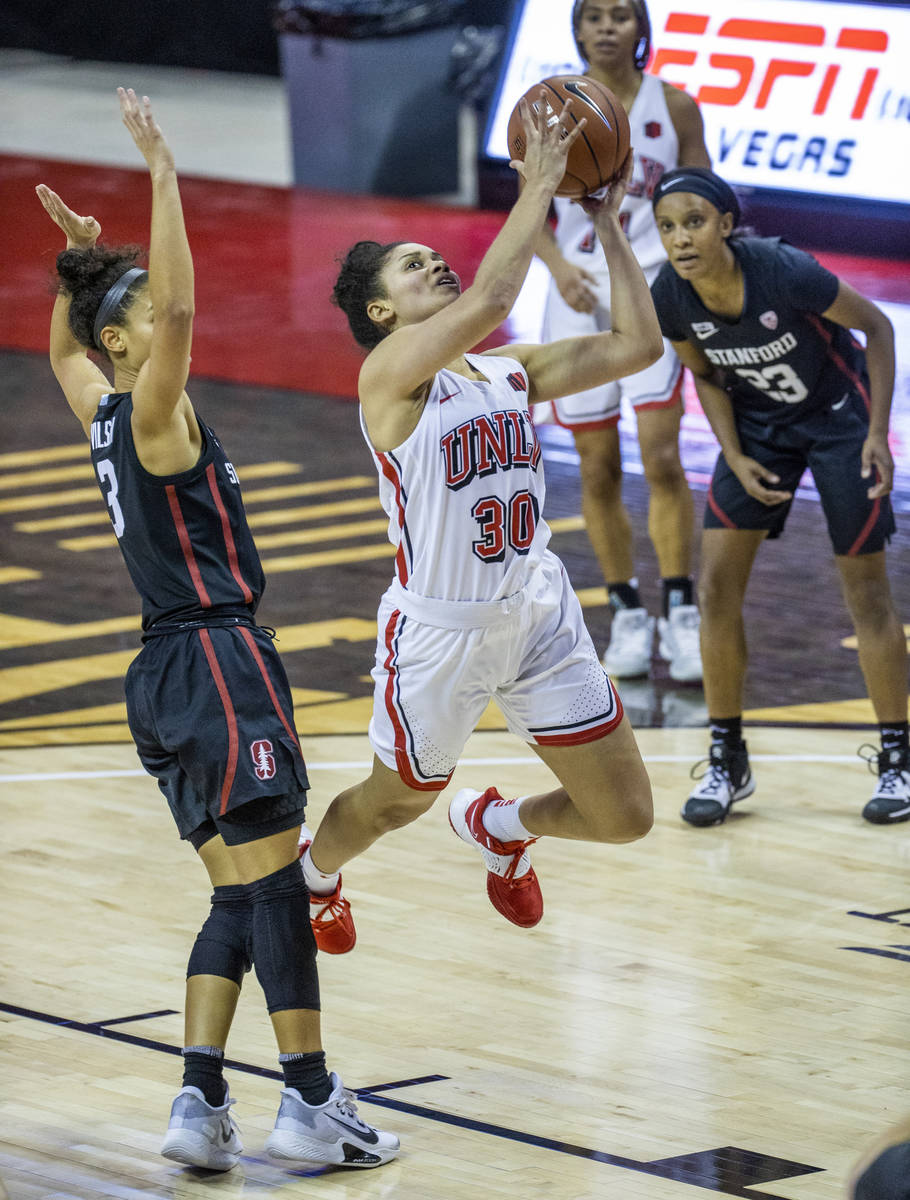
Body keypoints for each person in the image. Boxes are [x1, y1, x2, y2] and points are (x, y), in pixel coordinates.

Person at [36, 89, 398, 1172]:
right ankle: (311, 1099)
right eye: (140, 317)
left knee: (237, 892)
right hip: (215, 654)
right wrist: (161, 177)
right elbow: (180, 323)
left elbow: (63, 350)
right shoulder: (151, 408)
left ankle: (197, 1100)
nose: (170, 324)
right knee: (278, 886)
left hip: (160, 675)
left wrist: (80, 268)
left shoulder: (95, 405)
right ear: (125, 344)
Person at [297, 90, 659, 953]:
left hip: (537, 610)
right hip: (442, 630)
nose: (435, 268)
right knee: (394, 803)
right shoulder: (387, 377)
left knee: (626, 817)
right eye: (412, 268)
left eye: (433, 259)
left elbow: (638, 346)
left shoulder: (505, 372)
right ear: (381, 313)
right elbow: (497, 292)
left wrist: (603, 222)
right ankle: (311, 873)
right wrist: (539, 181)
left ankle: (502, 827)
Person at [649, 166, 909, 827]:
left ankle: (899, 758)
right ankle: (726, 758)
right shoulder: (670, 295)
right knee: (714, 591)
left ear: (727, 225)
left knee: (866, 594)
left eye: (694, 222)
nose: (680, 238)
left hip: (840, 422)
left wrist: (878, 432)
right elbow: (703, 373)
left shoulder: (785, 271)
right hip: (759, 430)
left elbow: (878, 327)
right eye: (667, 227)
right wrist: (732, 453)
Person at [533, 0, 712, 683]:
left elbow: (703, 198)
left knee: (664, 460)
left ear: (642, 28)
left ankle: (681, 609)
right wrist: (556, 268)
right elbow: (523, 207)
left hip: (652, 290)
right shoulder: (548, 106)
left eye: (621, 15)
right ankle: (627, 613)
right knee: (598, 466)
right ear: (576, 29)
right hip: (576, 294)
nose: (608, 26)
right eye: (595, 16)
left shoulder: (677, 107)